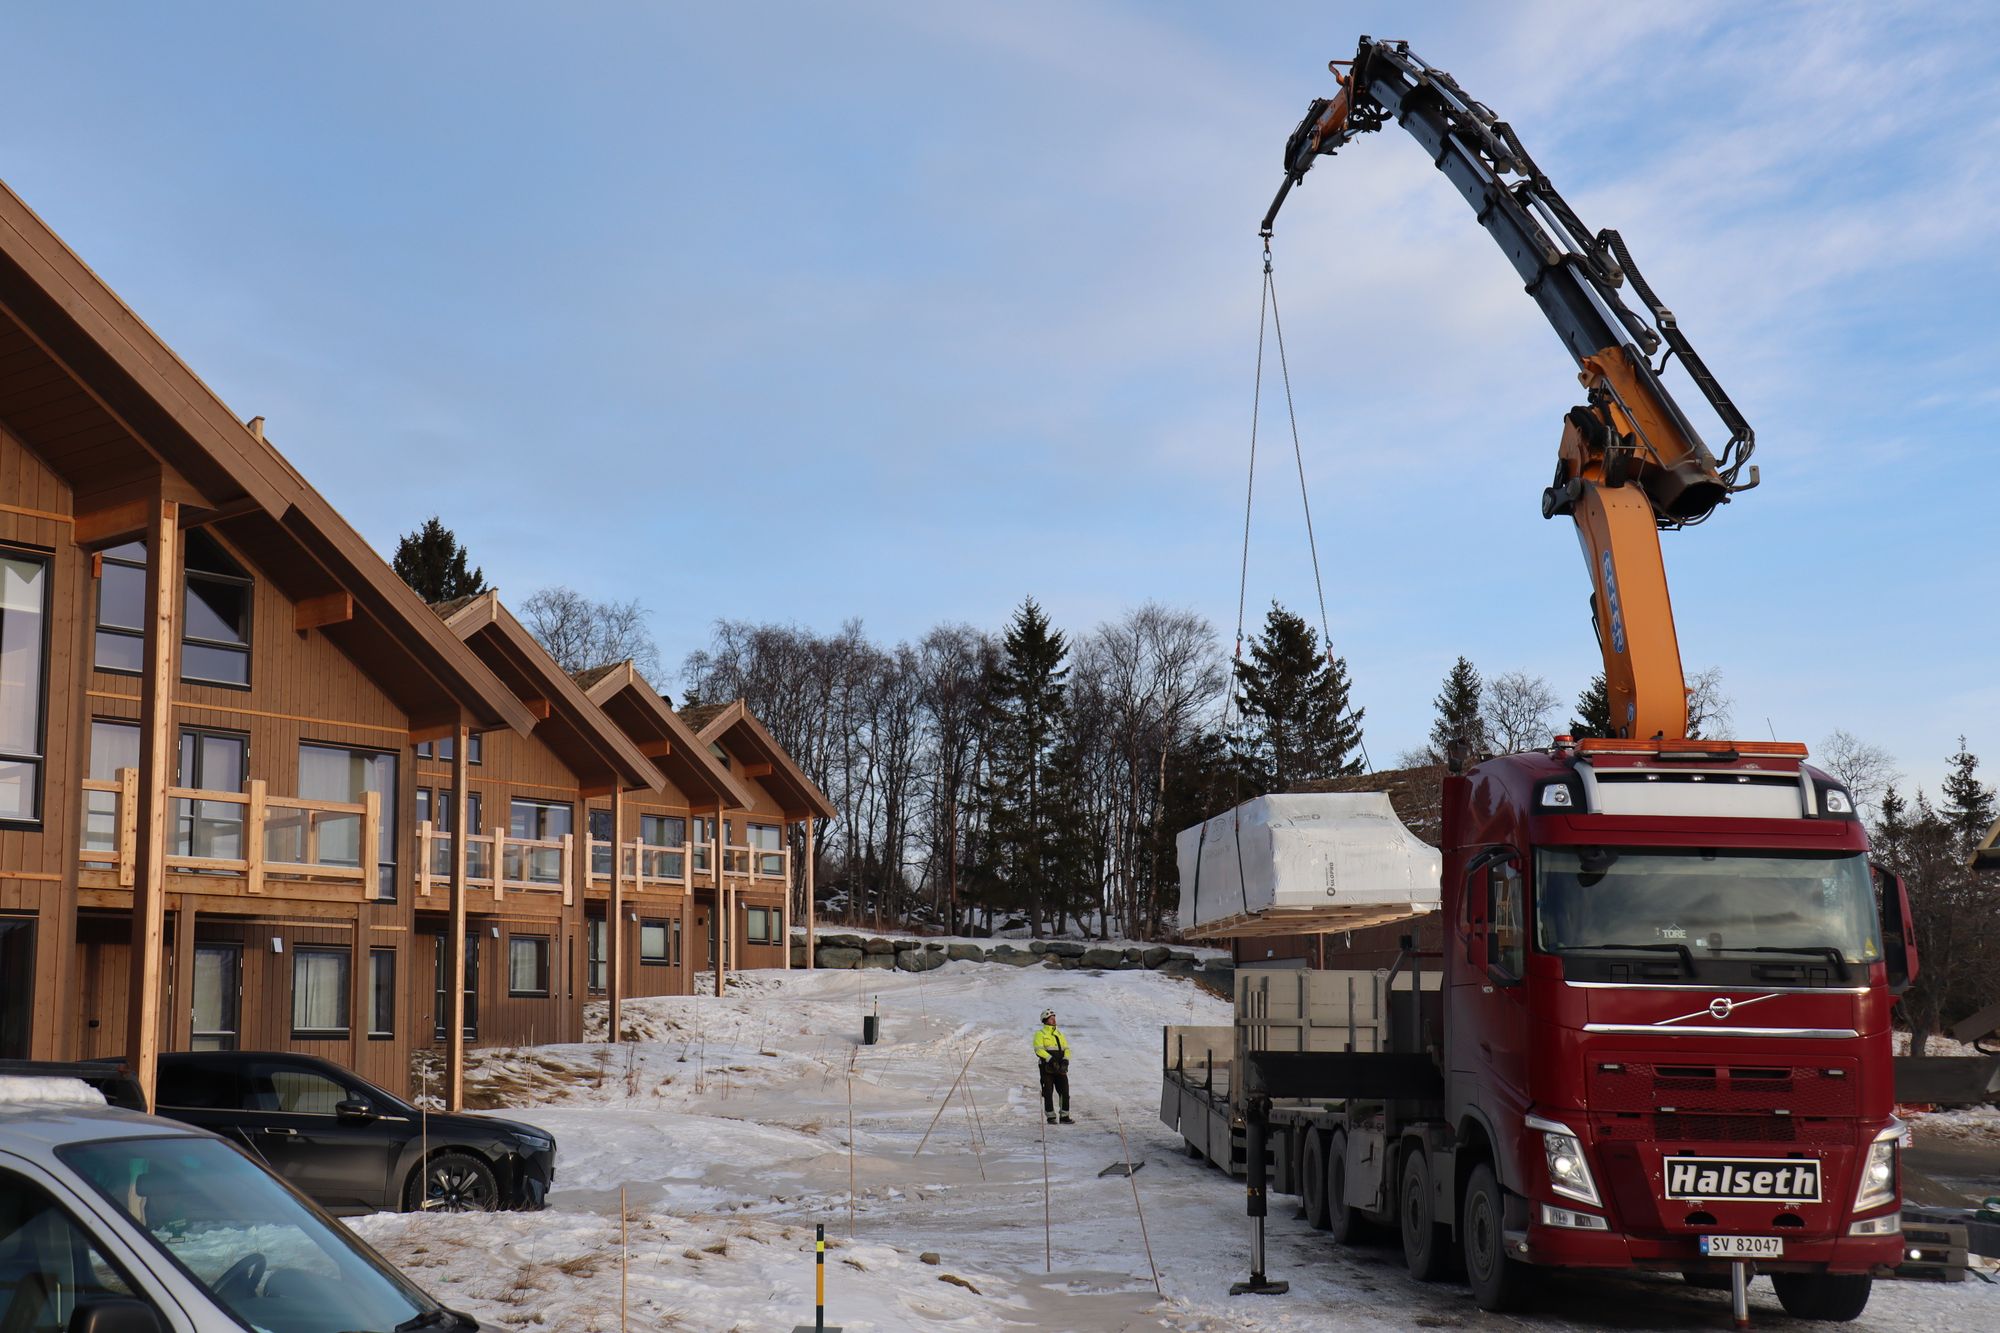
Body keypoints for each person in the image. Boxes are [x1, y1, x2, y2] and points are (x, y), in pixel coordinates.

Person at [1033, 1008, 1073, 1124]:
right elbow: (1038, 1050)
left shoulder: (1060, 1034)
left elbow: (1066, 1049)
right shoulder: (1040, 1034)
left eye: (1054, 1018)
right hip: (1047, 1068)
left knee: (1065, 1092)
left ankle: (1064, 1117)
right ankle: (1051, 1117)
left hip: (1061, 1067)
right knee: (1048, 1092)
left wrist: (1065, 1060)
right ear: (1045, 1020)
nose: (1054, 1020)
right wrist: (1050, 1059)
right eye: (1051, 1018)